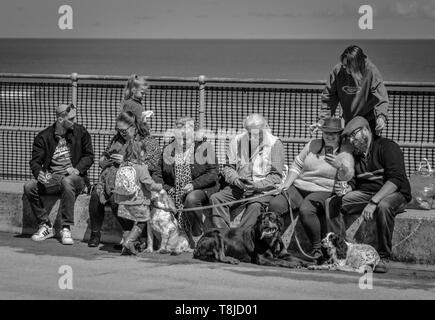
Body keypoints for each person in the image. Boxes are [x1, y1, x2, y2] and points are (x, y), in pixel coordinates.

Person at [329, 116, 411, 273]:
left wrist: (373, 202)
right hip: (366, 194)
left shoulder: (387, 146)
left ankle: (384, 257)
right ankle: (341, 252)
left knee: (384, 206)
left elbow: (396, 180)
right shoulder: (355, 155)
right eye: (349, 137)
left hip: (394, 193)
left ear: (366, 130)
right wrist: (346, 189)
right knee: (333, 202)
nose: (351, 140)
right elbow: (354, 182)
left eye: (354, 135)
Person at [268, 117, 354, 259]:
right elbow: (297, 165)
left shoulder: (345, 151)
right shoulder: (312, 144)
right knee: (275, 204)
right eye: (326, 132)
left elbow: (349, 174)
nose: (329, 136)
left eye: (334, 133)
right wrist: (286, 184)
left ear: (340, 134)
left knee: (306, 209)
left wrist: (340, 166)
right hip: (299, 186)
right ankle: (273, 245)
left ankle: (317, 249)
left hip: (324, 189)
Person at [87, 111, 162, 247]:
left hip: (137, 184)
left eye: (123, 130)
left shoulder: (147, 141)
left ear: (134, 126)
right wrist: (103, 161)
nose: (121, 133)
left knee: (117, 199)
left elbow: (151, 165)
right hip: (114, 179)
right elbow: (104, 156)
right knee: (95, 196)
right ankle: (95, 233)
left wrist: (126, 161)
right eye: (118, 130)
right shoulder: (117, 140)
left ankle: (132, 236)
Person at [24, 104, 94, 245]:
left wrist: (77, 169)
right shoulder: (43, 137)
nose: (74, 122)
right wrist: (39, 174)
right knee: (29, 186)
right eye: (71, 119)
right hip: (54, 178)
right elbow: (35, 162)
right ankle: (46, 225)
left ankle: (65, 227)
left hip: (76, 178)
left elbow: (89, 156)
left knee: (67, 181)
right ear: (61, 120)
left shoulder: (81, 132)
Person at [210, 114, 284, 230]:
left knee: (254, 206)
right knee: (216, 198)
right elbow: (228, 167)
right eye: (250, 133)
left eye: (257, 133)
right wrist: (236, 180)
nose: (253, 137)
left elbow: (276, 176)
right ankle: (224, 237)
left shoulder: (275, 144)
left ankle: (242, 240)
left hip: (263, 191)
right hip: (239, 187)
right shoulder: (236, 141)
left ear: (265, 128)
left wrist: (256, 186)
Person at [162, 116, 219, 246]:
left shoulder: (205, 147)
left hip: (202, 188)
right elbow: (159, 174)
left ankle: (197, 233)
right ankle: (175, 237)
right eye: (179, 130)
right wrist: (167, 188)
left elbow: (213, 173)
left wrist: (193, 185)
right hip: (174, 188)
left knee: (191, 199)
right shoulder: (168, 149)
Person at [314, 45, 389, 135]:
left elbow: (381, 97)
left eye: (349, 66)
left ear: (358, 64)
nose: (345, 69)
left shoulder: (371, 71)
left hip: (368, 122)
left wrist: (381, 117)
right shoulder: (338, 71)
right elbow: (329, 97)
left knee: (364, 147)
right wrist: (323, 120)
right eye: (344, 65)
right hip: (348, 121)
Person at [113, 139, 164, 255]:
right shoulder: (141, 167)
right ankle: (129, 242)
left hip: (123, 202)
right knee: (142, 222)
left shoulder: (123, 166)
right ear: (141, 153)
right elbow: (149, 184)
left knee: (129, 224)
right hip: (138, 201)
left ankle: (126, 247)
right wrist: (159, 186)